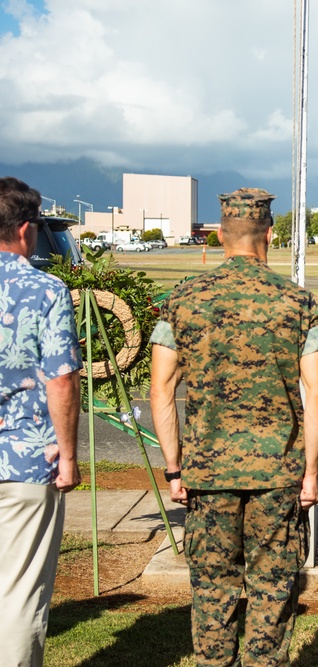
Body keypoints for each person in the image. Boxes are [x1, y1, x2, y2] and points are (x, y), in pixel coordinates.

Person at [150, 188, 318, 666]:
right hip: (278, 474)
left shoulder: (182, 302)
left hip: (207, 474)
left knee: (213, 587)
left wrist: (174, 468)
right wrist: (311, 473)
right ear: (270, 234)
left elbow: (161, 391)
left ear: (218, 234)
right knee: (273, 587)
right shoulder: (298, 303)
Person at [0, 176, 81, 666]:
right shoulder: (45, 289)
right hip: (27, 460)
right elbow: (61, 380)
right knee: (19, 593)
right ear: (27, 230)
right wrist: (68, 456)